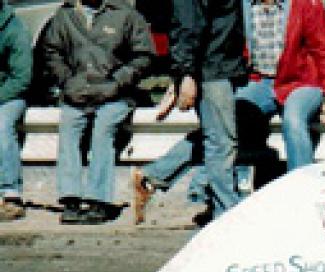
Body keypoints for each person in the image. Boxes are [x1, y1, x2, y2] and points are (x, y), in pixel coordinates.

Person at [39, 0, 154, 225]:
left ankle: (98, 200)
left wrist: (118, 81)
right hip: (77, 93)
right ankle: (70, 199)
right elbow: (51, 51)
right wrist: (66, 80)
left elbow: (143, 56)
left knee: (103, 130)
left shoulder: (125, 14)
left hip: (116, 94)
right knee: (69, 128)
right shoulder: (64, 15)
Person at [136, 0, 248, 224]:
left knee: (216, 137)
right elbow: (188, 26)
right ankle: (226, 211)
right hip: (211, 69)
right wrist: (186, 74)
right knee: (221, 143)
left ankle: (154, 175)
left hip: (220, 66)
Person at [237, 0, 325, 172]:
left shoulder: (305, 4)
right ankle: (251, 174)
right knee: (235, 112)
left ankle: (300, 179)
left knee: (293, 120)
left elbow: (324, 50)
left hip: (301, 81)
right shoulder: (241, 5)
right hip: (258, 80)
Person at [0, 0, 31, 222]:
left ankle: (11, 194)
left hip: (9, 95)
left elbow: (21, 77)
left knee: (2, 127)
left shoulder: (15, 29)